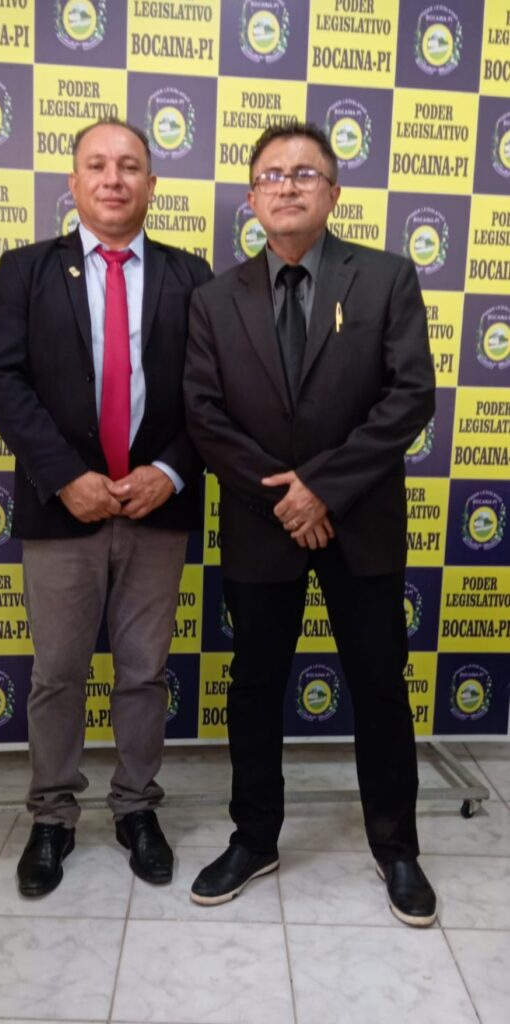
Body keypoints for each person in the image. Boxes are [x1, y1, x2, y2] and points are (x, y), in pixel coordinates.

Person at [183, 121, 437, 926]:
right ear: (251, 196)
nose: (287, 186)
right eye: (272, 175)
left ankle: (397, 849)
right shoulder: (214, 299)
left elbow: (410, 397)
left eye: (304, 174)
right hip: (262, 527)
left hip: (361, 522)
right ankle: (254, 838)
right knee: (254, 686)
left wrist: (321, 489)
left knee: (380, 686)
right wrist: (287, 500)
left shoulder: (387, 278)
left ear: (333, 192)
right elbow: (204, 414)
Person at [0, 118, 212, 897]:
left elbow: (211, 394)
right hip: (62, 510)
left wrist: (170, 471)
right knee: (58, 673)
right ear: (73, 182)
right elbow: (3, 382)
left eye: (130, 166)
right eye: (98, 165)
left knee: (145, 672)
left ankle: (136, 808)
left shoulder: (191, 275)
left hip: (157, 510)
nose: (114, 179)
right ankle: (52, 817)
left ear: (151, 184)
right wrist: (64, 477)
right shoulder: (25, 270)